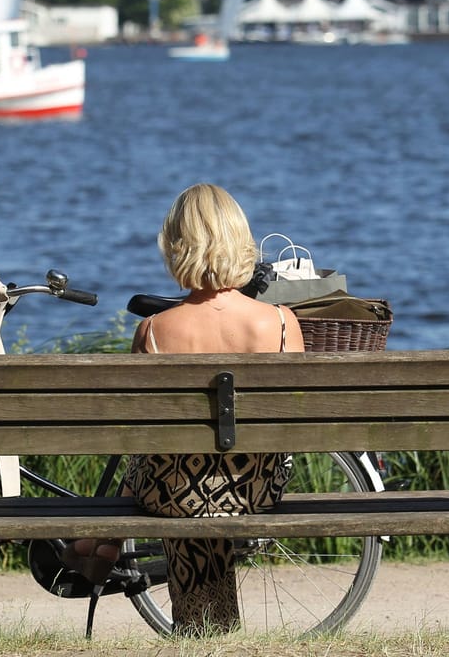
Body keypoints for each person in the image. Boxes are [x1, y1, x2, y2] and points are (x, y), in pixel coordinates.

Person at [65, 183, 304, 635]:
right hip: (256, 488)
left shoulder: (154, 331)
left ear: (177, 247)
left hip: (177, 493)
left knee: (174, 469)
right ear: (240, 242)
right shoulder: (281, 322)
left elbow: (140, 432)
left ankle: (196, 624)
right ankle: (211, 631)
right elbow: (292, 422)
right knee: (201, 469)